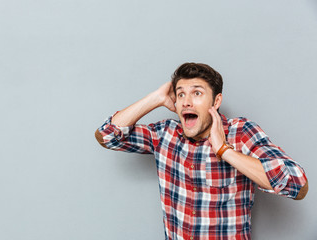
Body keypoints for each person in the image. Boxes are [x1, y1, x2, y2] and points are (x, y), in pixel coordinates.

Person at [94, 63, 308, 240]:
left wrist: (224, 150)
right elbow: (107, 135)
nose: (186, 101)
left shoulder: (240, 132)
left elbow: (297, 185)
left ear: (216, 101)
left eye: (197, 93)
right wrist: (156, 98)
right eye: (180, 94)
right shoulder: (165, 134)